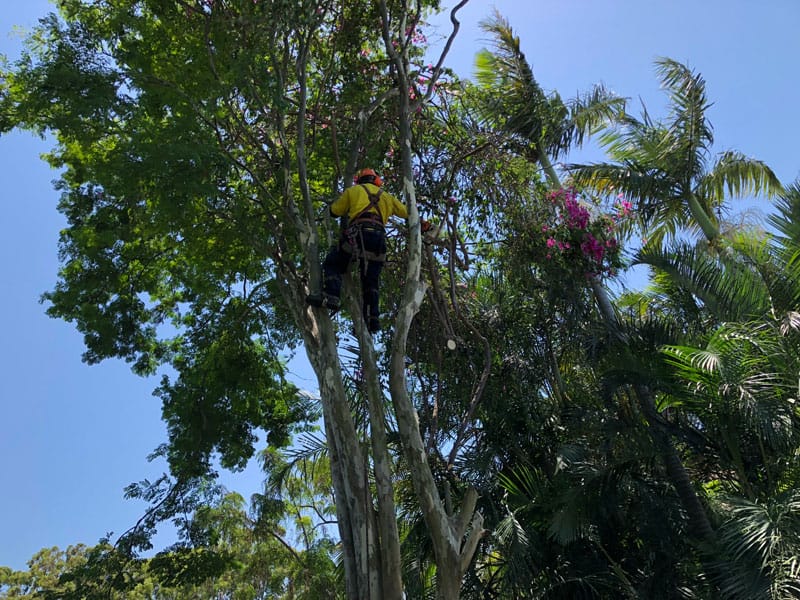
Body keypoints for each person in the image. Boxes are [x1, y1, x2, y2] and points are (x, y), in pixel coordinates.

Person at [308, 168, 408, 334]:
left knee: (333, 262)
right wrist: (424, 224)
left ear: (359, 180)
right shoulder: (387, 197)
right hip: (378, 241)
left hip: (358, 236)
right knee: (371, 281)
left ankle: (331, 295)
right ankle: (372, 320)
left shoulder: (353, 191)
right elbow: (407, 212)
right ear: (376, 180)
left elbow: (335, 211)